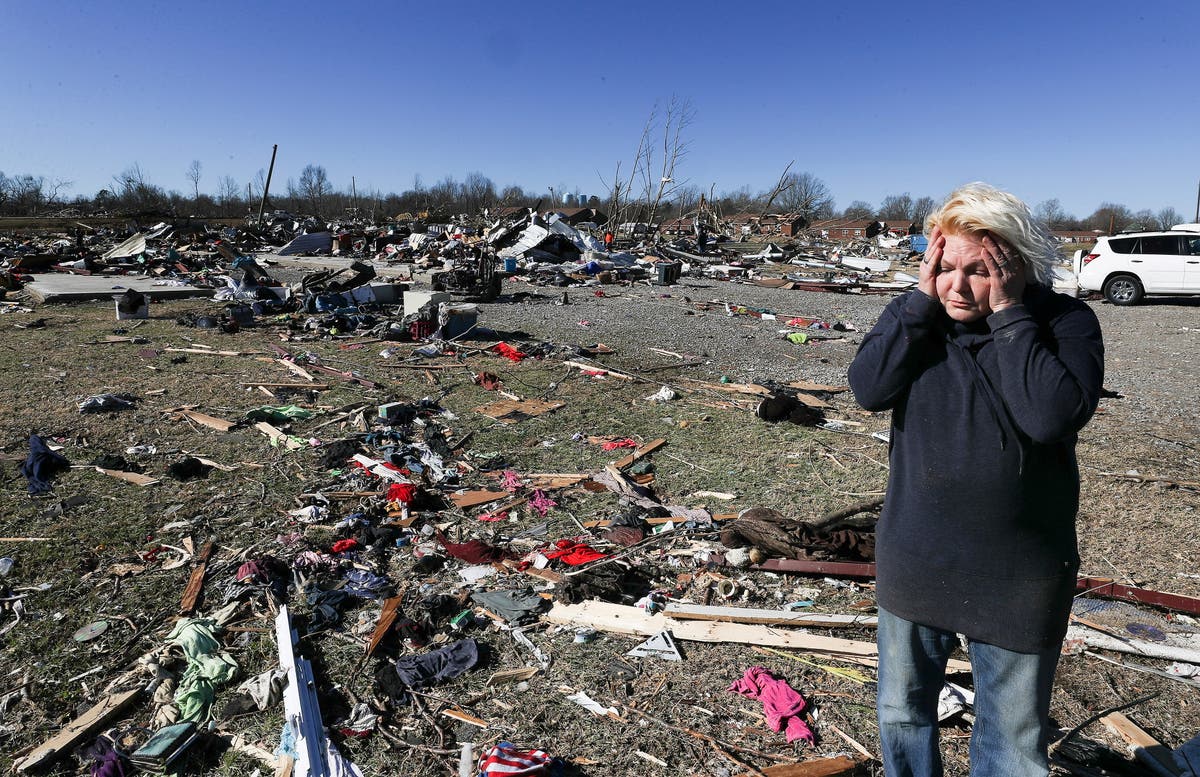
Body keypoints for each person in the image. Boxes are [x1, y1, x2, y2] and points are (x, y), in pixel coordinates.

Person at [847, 183, 1104, 777]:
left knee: (1012, 740)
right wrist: (917, 301)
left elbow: (1049, 416)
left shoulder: (1064, 322)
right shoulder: (917, 317)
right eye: (946, 268)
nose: (958, 288)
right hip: (917, 556)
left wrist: (1012, 314)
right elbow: (868, 388)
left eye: (981, 271)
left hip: (1019, 569)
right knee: (902, 715)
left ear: (1015, 265)